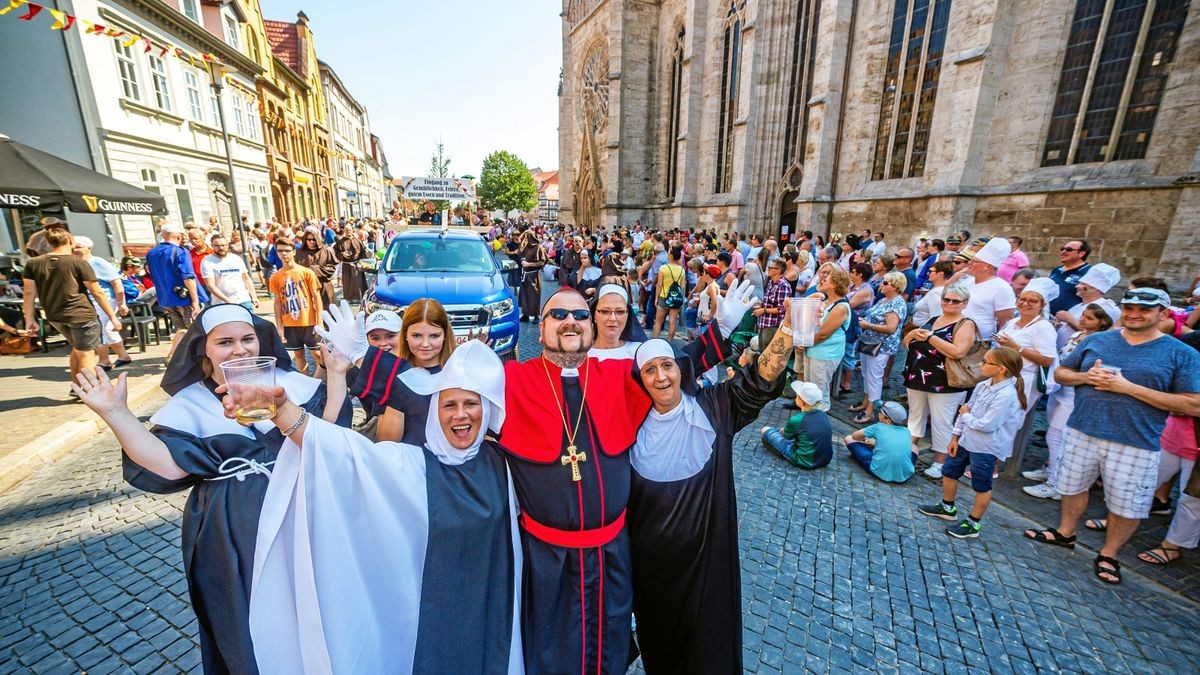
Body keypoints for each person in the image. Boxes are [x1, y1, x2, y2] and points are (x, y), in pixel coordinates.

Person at [70, 304, 350, 673]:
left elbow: (330, 438)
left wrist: (337, 373)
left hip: (305, 513)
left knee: (319, 607)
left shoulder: (294, 385)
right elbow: (167, 466)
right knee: (243, 616)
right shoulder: (191, 403)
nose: (240, 350)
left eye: (247, 339)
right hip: (232, 532)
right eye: (225, 342)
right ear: (204, 348)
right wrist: (116, 414)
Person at [245, 340, 523, 673]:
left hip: (494, 609)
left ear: (487, 409)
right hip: (433, 617)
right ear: (436, 411)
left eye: (471, 404)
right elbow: (346, 454)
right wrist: (283, 413)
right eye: (449, 405)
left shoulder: (500, 463)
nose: (460, 414)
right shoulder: (414, 465)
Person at [628, 296, 790, 673]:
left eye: (666, 365)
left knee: (709, 653)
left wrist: (789, 330)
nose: (661, 376)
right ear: (642, 380)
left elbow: (760, 381)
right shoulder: (630, 428)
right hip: (653, 572)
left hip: (706, 566)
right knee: (661, 651)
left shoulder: (714, 408)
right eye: (650, 370)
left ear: (680, 369)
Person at [1024, 287, 1200, 585]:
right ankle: (1065, 532)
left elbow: (1193, 403)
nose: (1134, 313)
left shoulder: (1181, 353)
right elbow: (1062, 374)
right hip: (1082, 429)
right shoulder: (1096, 340)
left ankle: (1110, 553)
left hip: (1136, 441)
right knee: (1072, 486)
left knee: (1126, 503)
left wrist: (1128, 388)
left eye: (1144, 309)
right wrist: (1085, 378)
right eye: (1129, 307)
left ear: (1163, 314)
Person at [919, 347, 1027, 538]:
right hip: (966, 441)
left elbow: (986, 425)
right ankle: (947, 507)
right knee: (949, 470)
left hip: (986, 447)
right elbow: (965, 409)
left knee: (981, 485)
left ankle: (973, 523)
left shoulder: (1006, 395)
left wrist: (966, 415)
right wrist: (955, 436)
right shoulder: (983, 385)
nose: (980, 364)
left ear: (1001, 369)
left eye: (986, 362)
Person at [1023, 304, 1114, 499]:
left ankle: (1055, 483)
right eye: (1083, 315)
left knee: (1056, 436)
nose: (1083, 320)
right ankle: (1051, 470)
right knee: (1052, 432)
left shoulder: (1099, 342)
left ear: (1102, 322)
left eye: (1089, 318)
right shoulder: (1076, 335)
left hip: (1074, 394)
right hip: (1059, 388)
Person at [22, 228, 122, 389]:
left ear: (48, 243)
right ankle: (89, 390)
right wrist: (113, 316)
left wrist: (29, 319)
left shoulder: (33, 263)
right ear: (70, 241)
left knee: (77, 349)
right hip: (80, 313)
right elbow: (97, 292)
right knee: (87, 353)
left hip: (54, 314)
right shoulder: (78, 263)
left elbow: (28, 293)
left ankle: (77, 386)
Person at [902, 283, 977, 479]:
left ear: (964, 303)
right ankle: (908, 452)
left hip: (945, 383)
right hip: (917, 377)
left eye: (955, 301)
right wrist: (911, 334)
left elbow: (958, 351)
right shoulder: (934, 319)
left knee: (941, 421)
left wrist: (931, 337)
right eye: (946, 299)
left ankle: (940, 462)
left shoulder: (965, 324)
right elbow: (908, 344)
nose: (950, 303)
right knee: (915, 417)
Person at [371, 299, 457, 445]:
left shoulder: (457, 371)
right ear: (405, 335)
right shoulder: (391, 373)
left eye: (434, 336)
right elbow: (387, 439)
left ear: (444, 336)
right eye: (416, 336)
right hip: (410, 460)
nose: (425, 344)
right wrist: (398, 388)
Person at [851, 272, 908, 425]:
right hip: (869, 342)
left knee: (874, 378)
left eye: (885, 283)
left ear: (895, 287)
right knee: (866, 374)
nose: (881, 285)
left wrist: (867, 324)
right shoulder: (884, 300)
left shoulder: (896, 303)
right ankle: (865, 402)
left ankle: (870, 410)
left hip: (881, 346)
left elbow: (891, 328)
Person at [72, 235, 134, 371]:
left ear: (89, 248)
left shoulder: (97, 262)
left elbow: (117, 282)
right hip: (89, 301)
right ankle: (123, 356)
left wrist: (121, 303)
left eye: (78, 247)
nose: (74, 249)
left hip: (104, 300)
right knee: (107, 329)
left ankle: (104, 361)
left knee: (100, 330)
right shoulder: (75, 263)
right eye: (73, 246)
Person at [147, 223, 208, 352]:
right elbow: (188, 277)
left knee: (181, 330)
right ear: (178, 236)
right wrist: (195, 301)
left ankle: (181, 355)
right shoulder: (180, 251)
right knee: (196, 329)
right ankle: (196, 356)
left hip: (166, 298)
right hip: (184, 298)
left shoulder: (152, 252)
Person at [268, 238, 324, 376]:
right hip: (290, 323)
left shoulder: (306, 272)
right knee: (298, 354)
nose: (284, 254)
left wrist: (320, 321)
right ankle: (306, 383)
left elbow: (316, 297)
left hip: (309, 320)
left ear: (293, 252)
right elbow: (277, 302)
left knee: (317, 354)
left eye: (287, 250)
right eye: (280, 251)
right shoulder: (276, 277)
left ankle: (320, 382)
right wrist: (279, 326)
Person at [800, 264, 852, 411]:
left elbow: (823, 333)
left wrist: (803, 343)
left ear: (835, 284)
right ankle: (808, 417)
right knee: (810, 387)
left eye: (826, 279)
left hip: (825, 354)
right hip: (813, 350)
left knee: (819, 390)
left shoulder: (840, 307)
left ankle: (817, 420)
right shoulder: (826, 302)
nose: (821, 280)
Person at [761, 381, 833, 469]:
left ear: (802, 402)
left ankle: (781, 452)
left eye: (798, 396)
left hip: (804, 460)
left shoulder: (797, 419)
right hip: (825, 460)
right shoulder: (823, 414)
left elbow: (784, 434)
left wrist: (782, 430)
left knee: (765, 430)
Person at [843, 401, 915, 482]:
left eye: (880, 412)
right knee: (915, 447)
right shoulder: (906, 431)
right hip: (904, 474)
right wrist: (875, 443)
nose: (878, 414)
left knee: (848, 438)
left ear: (888, 420)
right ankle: (904, 466)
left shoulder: (878, 427)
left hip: (879, 471)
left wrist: (865, 440)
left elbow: (855, 436)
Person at [1054, 262, 1122, 347]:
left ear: (1096, 289)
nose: (1077, 286)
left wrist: (1070, 320)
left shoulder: (1106, 307)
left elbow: (1100, 334)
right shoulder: (1078, 306)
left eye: (1083, 284)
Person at [961, 238, 1015, 342]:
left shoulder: (1001, 287)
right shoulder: (966, 282)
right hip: (957, 335)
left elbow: (1006, 321)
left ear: (987, 266)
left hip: (980, 341)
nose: (969, 263)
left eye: (974, 261)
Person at [201, 234, 258, 312]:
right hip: (221, 304)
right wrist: (228, 301)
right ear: (212, 246)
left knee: (250, 323)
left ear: (227, 245)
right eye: (217, 246)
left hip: (243, 300)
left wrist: (254, 296)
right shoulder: (207, 261)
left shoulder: (236, 258)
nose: (221, 248)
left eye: (223, 245)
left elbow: (246, 278)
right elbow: (211, 286)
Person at [589, 283, 646, 360]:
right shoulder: (580, 354)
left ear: (627, 315)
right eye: (605, 311)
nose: (613, 318)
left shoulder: (639, 352)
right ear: (594, 315)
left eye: (620, 312)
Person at [295, 227, 338, 310]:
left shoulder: (325, 251)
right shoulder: (299, 252)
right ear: (305, 240)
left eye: (314, 239)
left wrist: (314, 270)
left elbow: (332, 267)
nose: (311, 241)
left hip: (323, 285)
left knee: (328, 309)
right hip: (306, 286)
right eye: (309, 239)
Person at [754, 257, 792, 348]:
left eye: (771, 268)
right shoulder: (771, 283)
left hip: (774, 326)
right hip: (765, 324)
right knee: (762, 352)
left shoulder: (783, 285)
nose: (768, 269)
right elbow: (771, 303)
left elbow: (782, 309)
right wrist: (761, 305)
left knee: (769, 354)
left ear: (778, 270)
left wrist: (763, 310)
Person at [1048, 240, 1092, 315]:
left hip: (1070, 320)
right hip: (1049, 317)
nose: (1063, 252)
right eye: (1062, 249)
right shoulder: (1057, 270)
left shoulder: (1088, 272)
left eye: (1069, 249)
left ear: (1081, 253)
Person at [654, 246, 687, 340]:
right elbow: (683, 286)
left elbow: (659, 285)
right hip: (676, 298)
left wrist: (656, 298)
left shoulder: (663, 268)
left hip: (663, 296)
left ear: (671, 255)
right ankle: (670, 341)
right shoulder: (682, 270)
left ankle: (655, 340)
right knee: (672, 321)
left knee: (658, 321)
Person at [333, 223, 369, 303]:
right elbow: (335, 252)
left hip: (357, 264)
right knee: (347, 282)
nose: (348, 232)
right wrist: (342, 254)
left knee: (358, 281)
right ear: (344, 231)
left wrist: (363, 261)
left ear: (352, 230)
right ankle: (349, 298)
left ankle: (359, 297)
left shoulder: (357, 240)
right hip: (346, 265)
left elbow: (363, 252)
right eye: (346, 230)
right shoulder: (340, 242)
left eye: (349, 230)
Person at [518, 231, 547, 322]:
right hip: (525, 275)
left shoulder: (538, 248)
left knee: (534, 295)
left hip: (533, 275)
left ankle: (535, 316)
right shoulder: (526, 247)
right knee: (524, 295)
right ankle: (525, 314)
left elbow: (542, 262)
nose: (526, 239)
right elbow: (519, 252)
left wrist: (529, 264)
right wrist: (522, 238)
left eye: (527, 237)